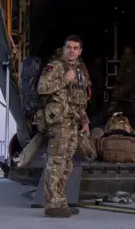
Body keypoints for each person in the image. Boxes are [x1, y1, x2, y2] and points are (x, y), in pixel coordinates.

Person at [37, 34, 90, 218]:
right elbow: (42, 87)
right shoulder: (56, 67)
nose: (72, 51)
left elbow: (80, 98)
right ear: (64, 48)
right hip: (59, 122)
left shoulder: (80, 71)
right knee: (57, 161)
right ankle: (51, 204)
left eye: (76, 48)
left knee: (67, 164)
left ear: (80, 51)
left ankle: (60, 201)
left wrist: (84, 120)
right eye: (69, 47)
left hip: (73, 121)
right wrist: (64, 80)